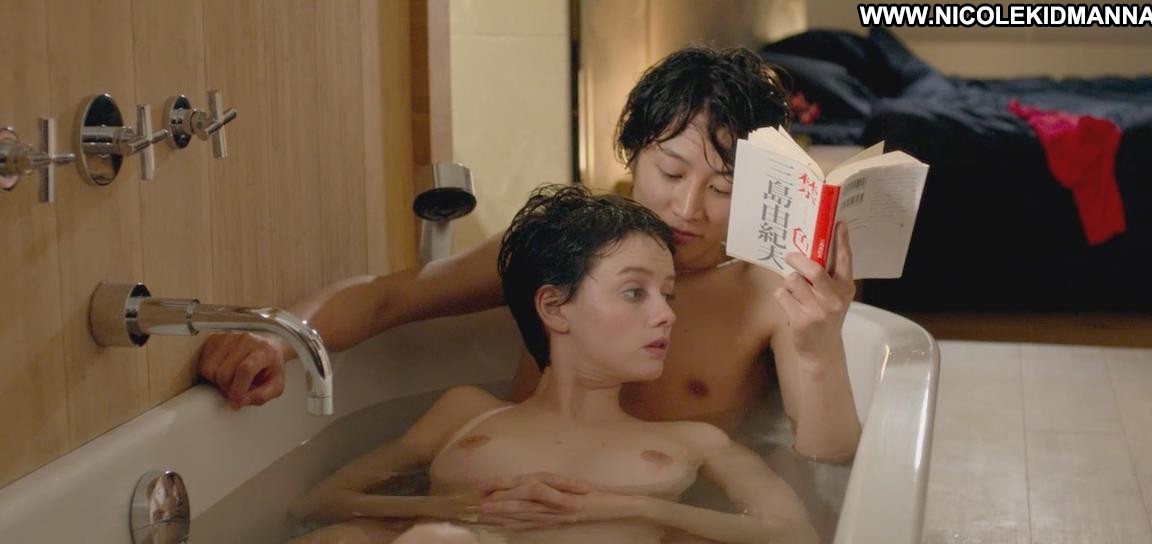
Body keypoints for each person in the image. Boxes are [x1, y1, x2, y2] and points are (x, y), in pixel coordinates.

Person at [199, 45, 859, 477]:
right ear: (632, 153)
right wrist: (277, 340)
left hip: (650, 519)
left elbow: (827, 455)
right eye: (671, 171)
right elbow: (386, 298)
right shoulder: (566, 242)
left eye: (723, 188)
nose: (687, 208)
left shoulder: (767, 292)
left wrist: (820, 342)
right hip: (499, 495)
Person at [288, 185, 818, 544]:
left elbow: (794, 533)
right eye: (635, 292)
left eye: (668, 294)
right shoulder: (466, 414)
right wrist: (456, 510)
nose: (666, 315)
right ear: (554, 307)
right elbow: (320, 502)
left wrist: (636, 508)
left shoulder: (693, 443)